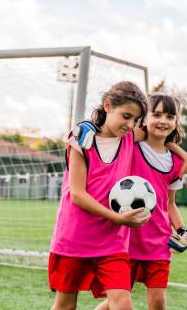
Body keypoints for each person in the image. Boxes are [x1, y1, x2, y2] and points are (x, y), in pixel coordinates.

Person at [49, 81, 151, 310]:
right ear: (107, 105)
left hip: (113, 240)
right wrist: (118, 218)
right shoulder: (80, 139)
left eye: (135, 120)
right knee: (65, 305)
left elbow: (160, 129)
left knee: (122, 303)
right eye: (126, 116)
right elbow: (77, 194)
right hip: (75, 235)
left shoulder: (129, 136)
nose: (130, 124)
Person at [95, 93, 187, 310]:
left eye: (170, 116)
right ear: (144, 118)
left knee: (158, 302)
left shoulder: (176, 163)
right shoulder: (129, 147)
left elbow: (170, 204)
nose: (163, 121)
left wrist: (182, 229)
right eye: (156, 114)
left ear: (176, 122)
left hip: (158, 242)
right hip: (125, 241)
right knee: (114, 302)